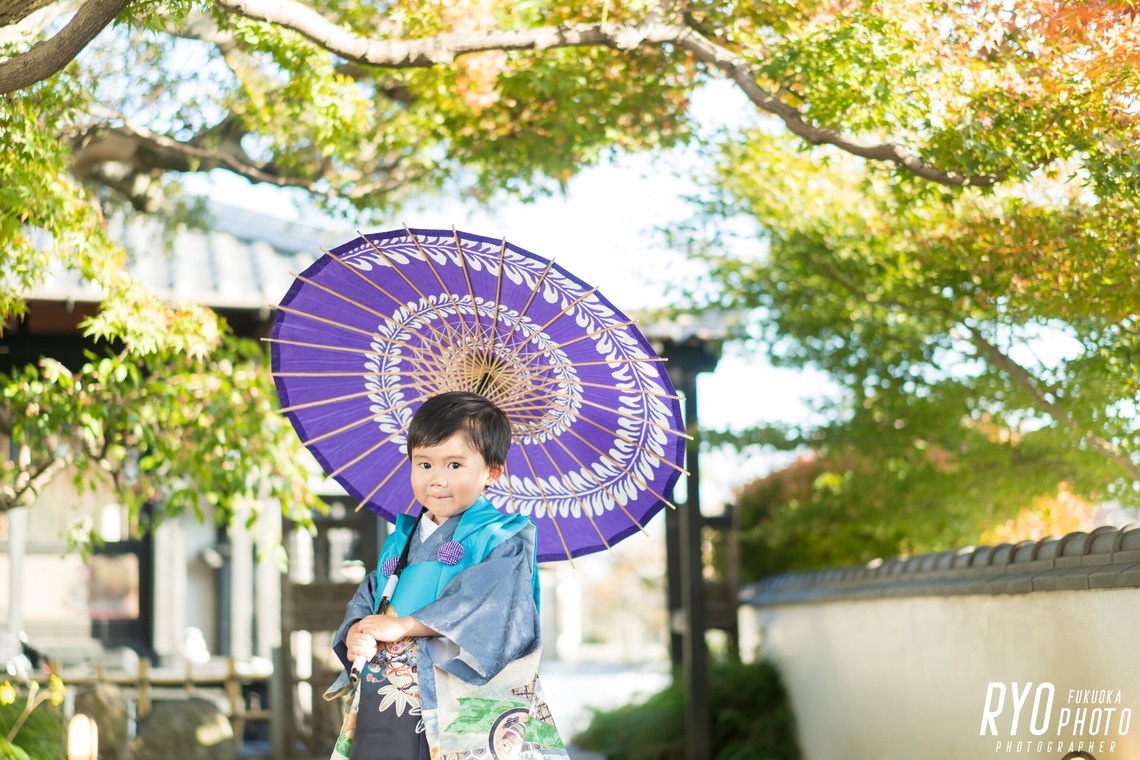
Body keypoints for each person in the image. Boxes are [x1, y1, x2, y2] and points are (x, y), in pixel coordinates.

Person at [325, 391, 566, 760]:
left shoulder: (502, 538)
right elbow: (372, 594)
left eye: (454, 465)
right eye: (424, 465)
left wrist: (406, 625)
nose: (436, 480)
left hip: (456, 696)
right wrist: (360, 628)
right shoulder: (402, 538)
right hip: (392, 693)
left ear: (492, 471)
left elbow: (488, 604)